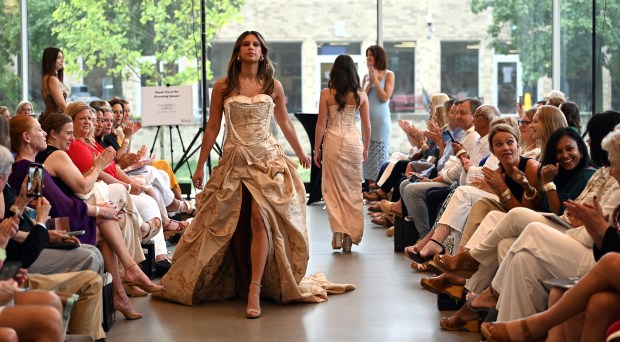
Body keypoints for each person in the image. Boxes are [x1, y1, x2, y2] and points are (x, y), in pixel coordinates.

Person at [155, 31, 354, 318]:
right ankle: (243, 276)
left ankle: (255, 288)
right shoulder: (223, 87)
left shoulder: (273, 85)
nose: (251, 48)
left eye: (256, 45)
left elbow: (283, 119)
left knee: (260, 221)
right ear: (238, 52)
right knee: (233, 222)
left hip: (266, 160)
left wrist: (301, 150)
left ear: (262, 53)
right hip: (234, 160)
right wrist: (199, 165)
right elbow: (212, 127)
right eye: (246, 44)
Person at [481, 124, 620, 342]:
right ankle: (506, 323)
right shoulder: (570, 173)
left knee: (527, 225)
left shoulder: (589, 175)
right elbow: (552, 209)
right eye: (558, 151)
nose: (564, 156)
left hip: (583, 243)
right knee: (517, 253)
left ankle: (486, 291)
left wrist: (525, 187)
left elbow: (563, 216)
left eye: (570, 149)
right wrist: (539, 185)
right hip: (573, 232)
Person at [313, 54, 370, 252]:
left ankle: (338, 231)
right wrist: (366, 148)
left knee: (331, 188)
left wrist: (316, 149)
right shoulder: (361, 94)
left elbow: (321, 123)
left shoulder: (327, 93)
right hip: (354, 143)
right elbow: (366, 125)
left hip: (333, 142)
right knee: (353, 189)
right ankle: (350, 235)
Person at [362, 45, 395, 188]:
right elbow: (361, 97)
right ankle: (369, 185)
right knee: (367, 150)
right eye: (367, 55)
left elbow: (385, 97)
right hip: (366, 119)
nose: (368, 58)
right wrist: (369, 81)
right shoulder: (365, 76)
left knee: (380, 151)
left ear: (378, 57)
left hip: (381, 120)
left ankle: (381, 186)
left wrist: (376, 80)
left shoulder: (389, 74)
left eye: (371, 55)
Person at [40, 47, 69, 117]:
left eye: (62, 58)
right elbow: (62, 105)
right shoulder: (52, 79)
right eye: (59, 58)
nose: (62, 61)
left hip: (50, 117)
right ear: (51, 60)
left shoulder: (46, 78)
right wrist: (74, 116)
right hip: (56, 119)